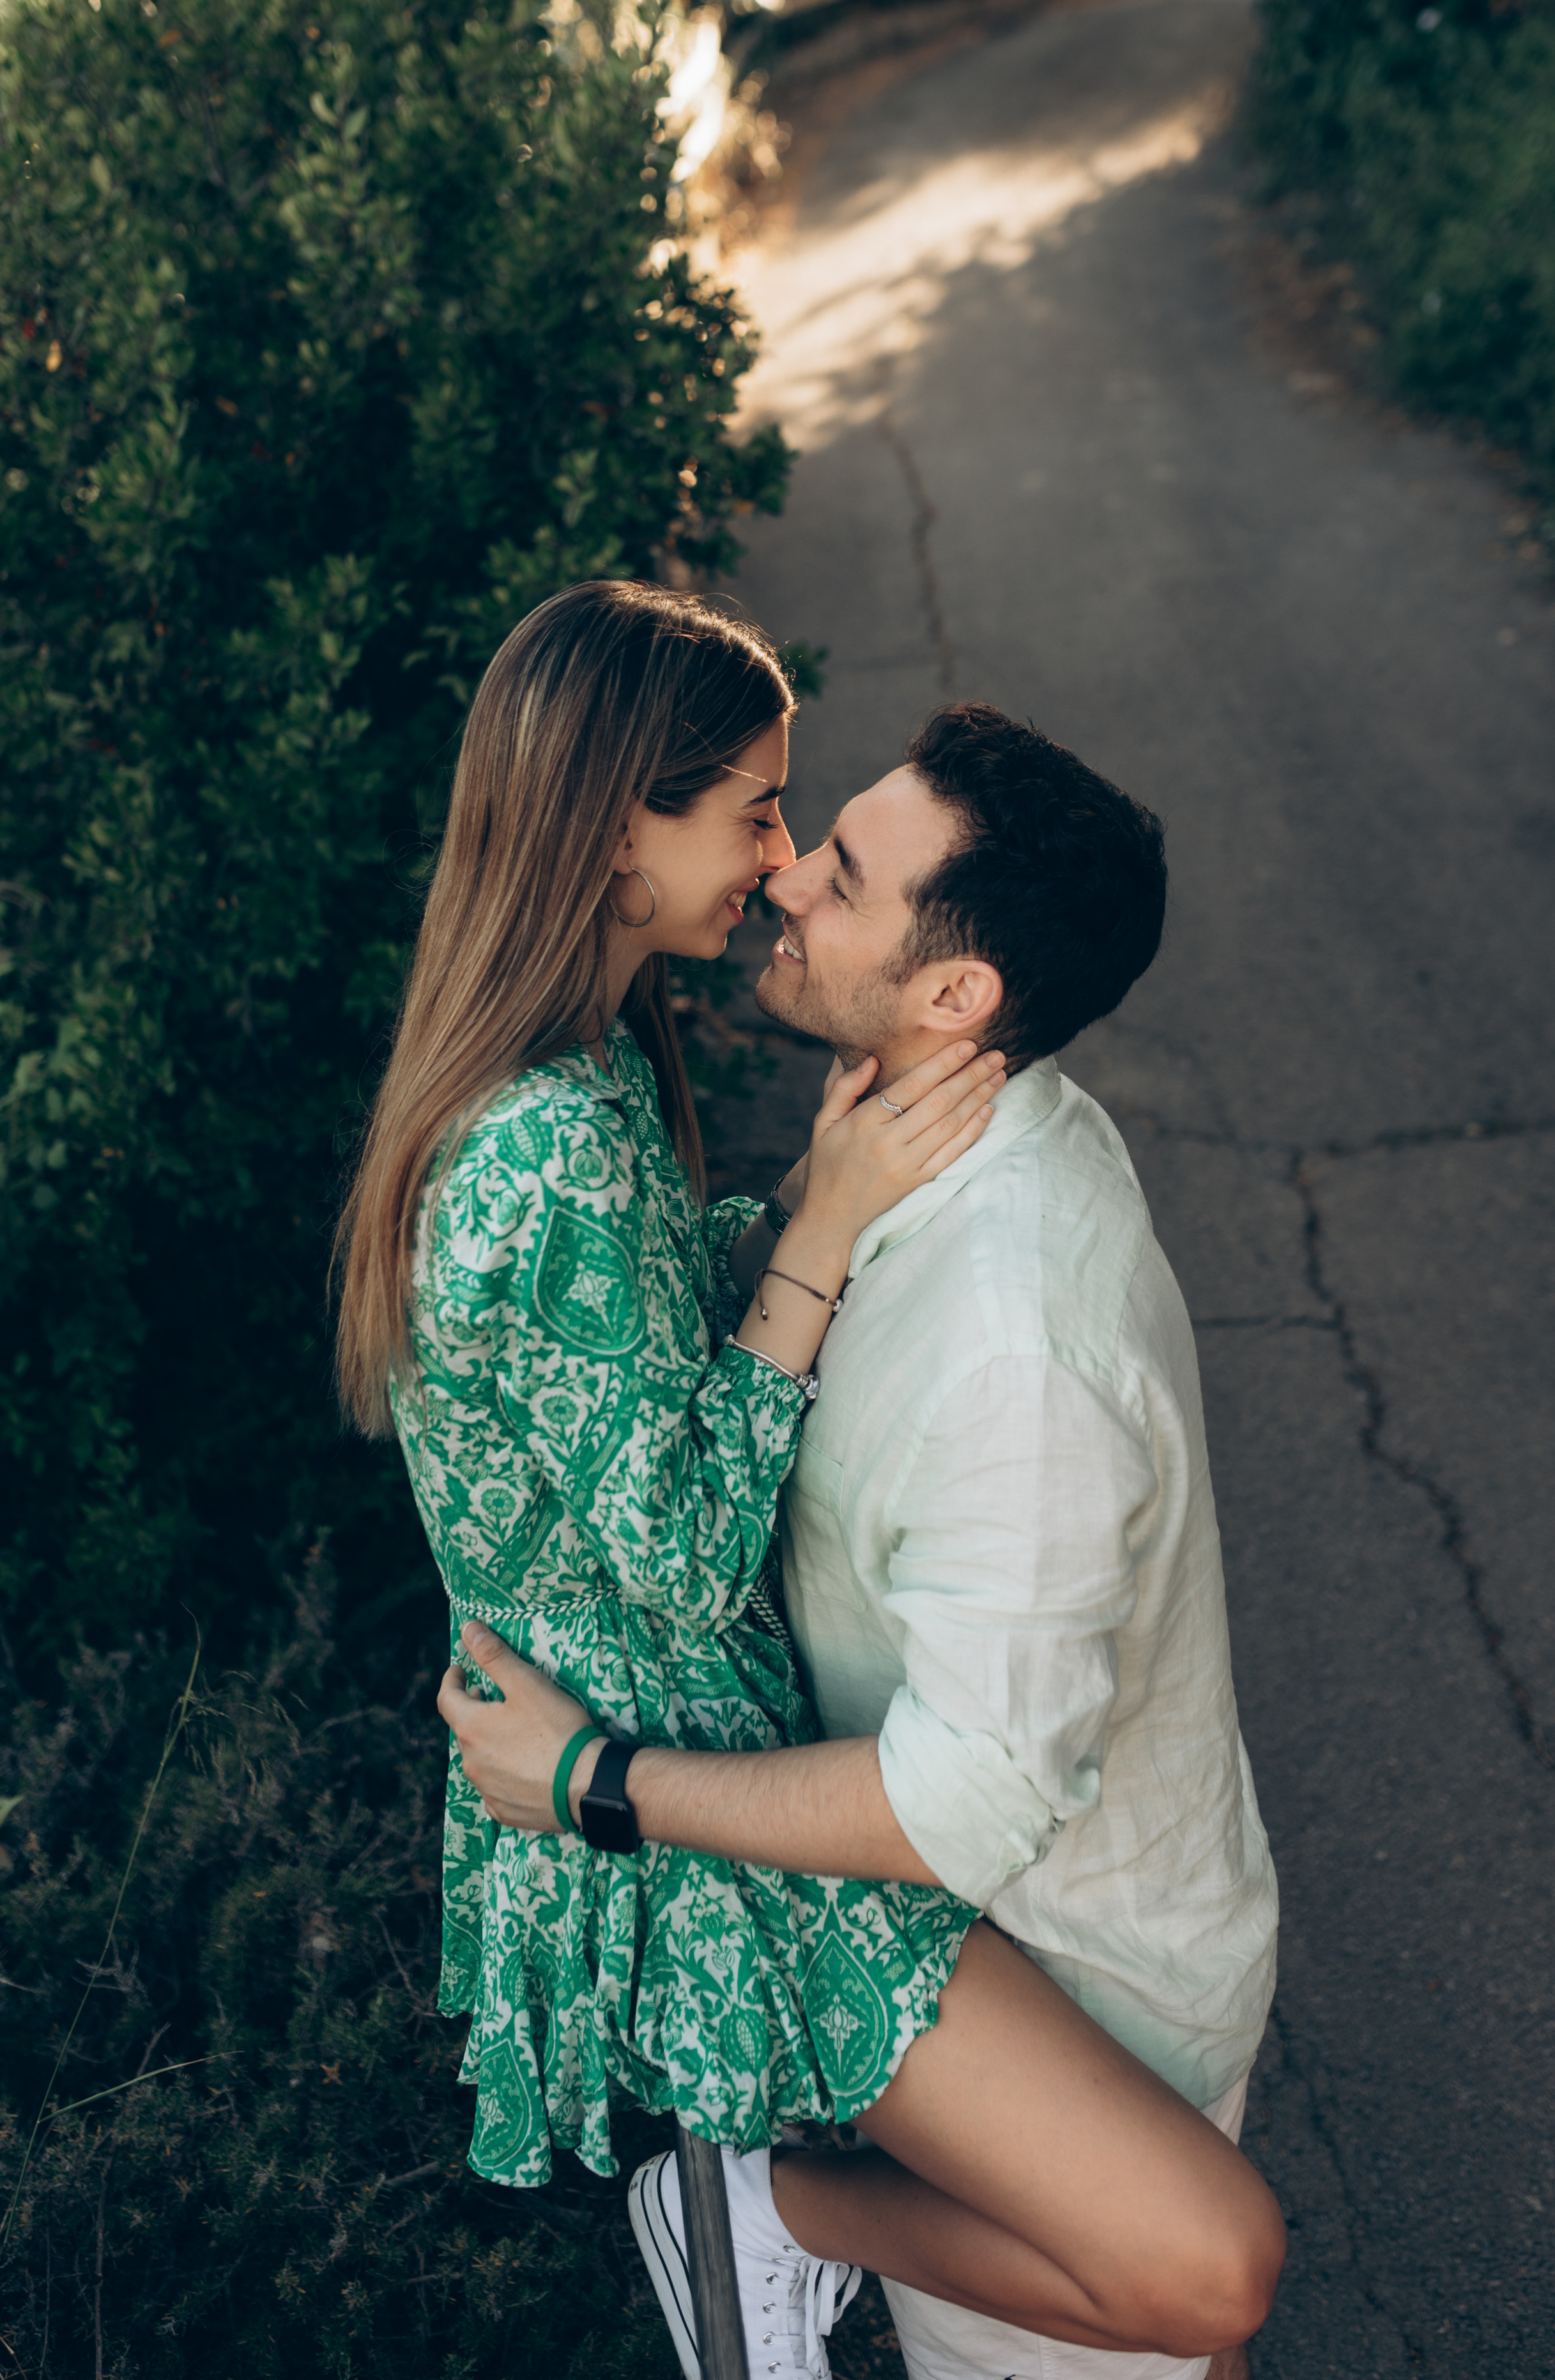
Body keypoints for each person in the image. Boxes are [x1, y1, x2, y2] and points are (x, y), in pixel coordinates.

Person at [439, 699, 1283, 2380]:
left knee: (1169, 2314)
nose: (783, 879)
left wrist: (598, 1781)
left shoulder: (1018, 1350)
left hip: (1064, 1978)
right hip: (956, 1959)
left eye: (837, 869)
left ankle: (780, 2207)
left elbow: (961, 1800)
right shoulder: (931, 1133)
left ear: (957, 994)